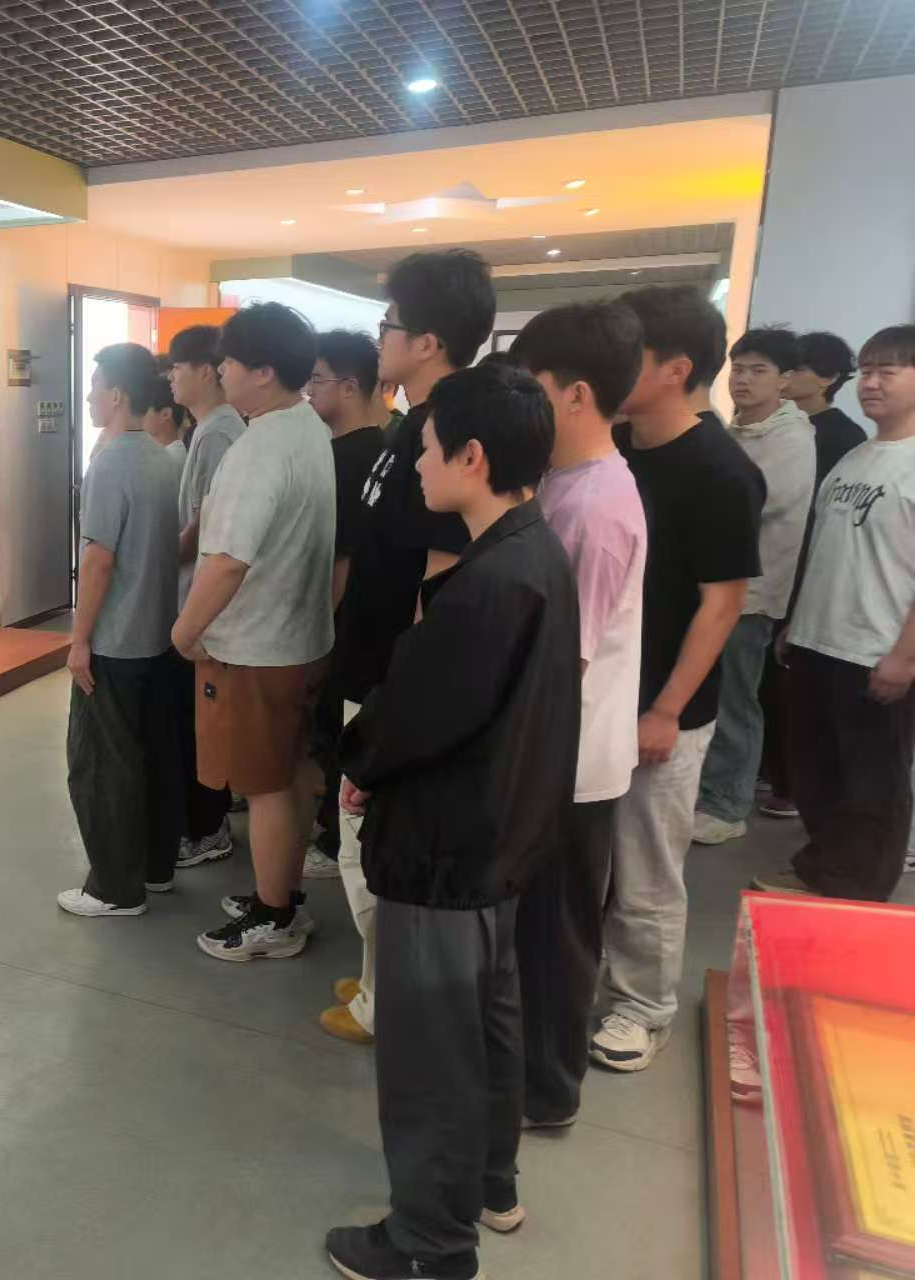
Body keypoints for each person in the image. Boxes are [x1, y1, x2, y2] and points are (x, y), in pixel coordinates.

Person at [326, 362, 580, 1280]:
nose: (419, 466)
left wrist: (361, 763)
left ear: (473, 457)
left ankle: (429, 1243)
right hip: (500, 839)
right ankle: (488, 1185)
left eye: (428, 450)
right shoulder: (533, 552)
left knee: (430, 1055)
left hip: (446, 851)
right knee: (488, 1028)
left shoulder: (490, 582)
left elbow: (420, 712)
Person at [318, 249, 493, 1043]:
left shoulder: (449, 429)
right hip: (368, 661)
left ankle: (386, 1003)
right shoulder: (408, 422)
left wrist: (401, 704)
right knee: (361, 838)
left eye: (388, 322)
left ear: (427, 341)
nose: (379, 336)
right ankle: (378, 975)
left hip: (392, 677)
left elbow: (441, 581)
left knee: (370, 842)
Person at [592, 286, 764, 1073]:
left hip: (665, 704)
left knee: (646, 865)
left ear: (676, 369)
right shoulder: (610, 449)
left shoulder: (721, 471)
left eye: (629, 354)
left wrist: (665, 709)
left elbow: (722, 603)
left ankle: (643, 1004)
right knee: (590, 856)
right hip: (598, 691)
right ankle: (588, 977)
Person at [508, 302, 648, 1127]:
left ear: (576, 394)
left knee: (557, 935)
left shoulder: (595, 506)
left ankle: (549, 1090)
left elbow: (569, 659)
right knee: (537, 927)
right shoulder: (563, 481)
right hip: (553, 750)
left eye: (533, 386)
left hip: (571, 759)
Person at [171, 302, 334, 961]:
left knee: (264, 786)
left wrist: (184, 632)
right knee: (289, 774)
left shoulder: (258, 448)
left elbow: (227, 561)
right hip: (300, 638)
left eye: (229, 362)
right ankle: (282, 893)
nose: (220, 372)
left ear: (264, 372)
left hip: (258, 647)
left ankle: (274, 918)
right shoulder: (306, 427)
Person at [756, 325, 915, 901]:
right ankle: (825, 872)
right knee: (818, 773)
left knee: (872, 784)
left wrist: (905, 657)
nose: (871, 383)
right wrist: (797, 626)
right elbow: (824, 552)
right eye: (867, 371)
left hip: (875, 650)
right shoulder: (855, 457)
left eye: (888, 372)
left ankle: (858, 893)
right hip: (818, 642)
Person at [59, 343, 184, 917]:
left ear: (116, 395)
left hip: (116, 642)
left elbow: (99, 560)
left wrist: (80, 640)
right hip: (159, 638)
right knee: (155, 757)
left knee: (102, 767)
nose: (88, 396)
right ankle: (156, 869)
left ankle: (114, 889)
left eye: (94, 386)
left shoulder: (110, 464)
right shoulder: (164, 459)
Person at [693, 328, 815, 844]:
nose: (743, 379)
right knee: (708, 692)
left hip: (752, 595)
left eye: (758, 370)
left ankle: (728, 805)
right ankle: (705, 792)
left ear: (785, 380)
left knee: (734, 698)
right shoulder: (736, 430)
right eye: (738, 368)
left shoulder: (792, 438)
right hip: (712, 586)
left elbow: (756, 500)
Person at [761, 332, 872, 819]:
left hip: (808, 569)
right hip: (772, 564)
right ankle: (768, 770)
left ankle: (789, 781)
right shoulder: (774, 425)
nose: (789, 376)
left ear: (828, 378)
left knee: (788, 683)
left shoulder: (843, 437)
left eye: (800, 368)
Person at [302, 329, 387, 883]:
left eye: (318, 380)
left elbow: (342, 558)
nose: (309, 391)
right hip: (354, 623)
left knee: (336, 731)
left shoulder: (352, 458)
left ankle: (336, 841)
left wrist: (324, 630)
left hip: (346, 625)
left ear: (351, 386)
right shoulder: (376, 449)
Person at [167, 325, 246, 869]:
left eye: (176, 368)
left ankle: (207, 828)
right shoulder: (209, 429)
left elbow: (209, 524)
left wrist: (165, 555)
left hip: (206, 606)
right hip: (200, 598)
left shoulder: (218, 433)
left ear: (204, 370)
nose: (170, 379)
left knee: (203, 725)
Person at [790, 330, 868, 484]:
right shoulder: (769, 420)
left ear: (829, 377)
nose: (786, 375)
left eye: (797, 370)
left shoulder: (845, 435)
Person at [145, 359, 190, 458]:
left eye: (144, 408)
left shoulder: (171, 457)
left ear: (165, 414)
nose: (138, 413)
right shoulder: (162, 453)